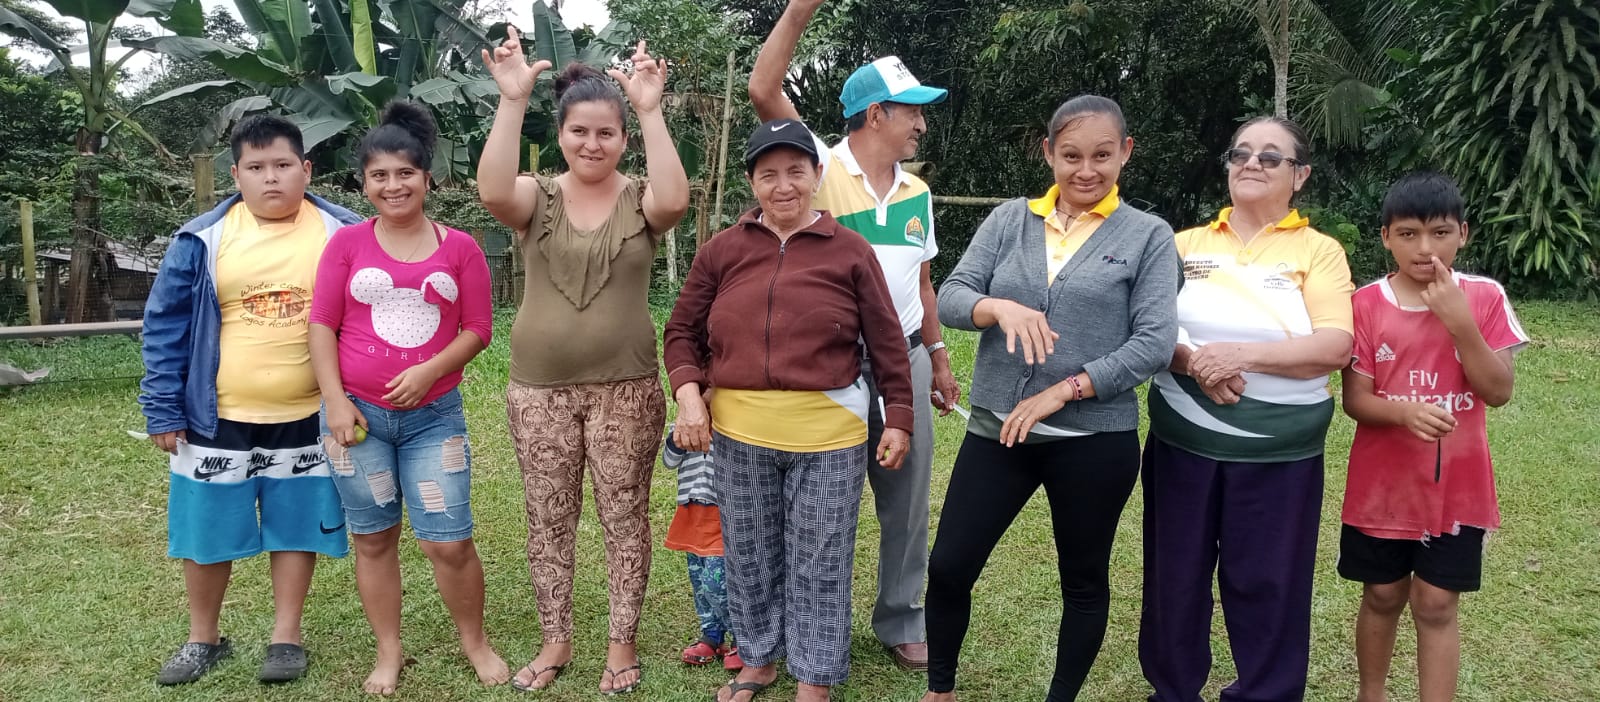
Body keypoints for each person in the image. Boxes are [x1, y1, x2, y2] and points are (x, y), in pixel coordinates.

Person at [923, 96, 1180, 702]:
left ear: (1126, 153)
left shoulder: (1148, 236)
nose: (1086, 171)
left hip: (1093, 441)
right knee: (949, 566)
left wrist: (1065, 391)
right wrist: (998, 307)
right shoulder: (1010, 220)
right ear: (1048, 153)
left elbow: (1153, 342)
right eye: (1071, 156)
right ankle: (940, 690)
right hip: (999, 430)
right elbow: (953, 294)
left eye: (1102, 156)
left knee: (1083, 581)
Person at [662, 119, 916, 702]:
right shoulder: (723, 250)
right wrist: (689, 394)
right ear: (751, 182)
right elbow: (681, 332)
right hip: (738, 434)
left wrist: (899, 416)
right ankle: (757, 661)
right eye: (768, 174)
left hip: (830, 435)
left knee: (821, 558)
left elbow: (887, 343)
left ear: (816, 175)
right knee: (749, 553)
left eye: (796, 172)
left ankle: (814, 678)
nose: (783, 186)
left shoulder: (850, 251)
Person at [749, 0, 961, 671]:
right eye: (911, 111)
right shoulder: (820, 166)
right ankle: (811, 624)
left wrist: (938, 357)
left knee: (907, 500)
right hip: (833, 365)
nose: (921, 123)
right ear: (875, 115)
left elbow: (923, 283)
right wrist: (799, 11)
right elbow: (763, 88)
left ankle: (901, 618)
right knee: (820, 505)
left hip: (906, 358)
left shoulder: (918, 193)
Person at [478, 29, 689, 695]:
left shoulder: (641, 200)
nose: (592, 144)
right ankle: (556, 640)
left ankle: (621, 643)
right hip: (538, 391)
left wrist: (650, 110)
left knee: (624, 518)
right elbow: (491, 191)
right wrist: (512, 100)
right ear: (561, 135)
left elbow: (675, 200)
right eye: (579, 132)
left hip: (626, 390)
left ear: (623, 139)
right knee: (548, 518)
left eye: (606, 133)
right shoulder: (535, 197)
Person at [139, 115, 361, 685]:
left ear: (306, 169)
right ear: (235, 175)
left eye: (283, 165)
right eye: (256, 168)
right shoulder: (201, 240)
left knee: (296, 527)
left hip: (310, 414)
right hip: (215, 417)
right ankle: (203, 639)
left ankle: (287, 637)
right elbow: (164, 326)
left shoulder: (344, 232)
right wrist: (162, 408)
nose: (271, 178)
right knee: (206, 532)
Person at [1140, 115, 1355, 701]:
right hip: (1183, 445)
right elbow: (1147, 327)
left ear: (1300, 175)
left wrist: (1241, 356)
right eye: (1241, 153)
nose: (1252, 163)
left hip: (1279, 455)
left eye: (1270, 156)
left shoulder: (1319, 251)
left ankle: (1266, 692)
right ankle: (1173, 691)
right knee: (1174, 577)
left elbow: (1335, 346)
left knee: (1269, 582)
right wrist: (1194, 363)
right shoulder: (1181, 244)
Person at [307, 101, 507, 695]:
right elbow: (321, 324)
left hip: (433, 419)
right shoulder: (346, 245)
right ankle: (389, 651)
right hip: (355, 419)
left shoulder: (461, 247)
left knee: (450, 540)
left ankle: (475, 642)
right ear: (364, 182)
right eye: (379, 175)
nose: (392, 186)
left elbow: (478, 328)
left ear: (426, 177)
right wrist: (335, 401)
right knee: (373, 538)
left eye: (404, 173)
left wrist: (430, 371)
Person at [1339, 172, 1527, 702]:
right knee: (1382, 594)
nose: (1425, 248)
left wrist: (1460, 322)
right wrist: (1403, 414)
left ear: (1462, 234)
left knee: (1438, 603)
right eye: (1408, 234)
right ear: (1386, 238)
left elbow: (1498, 391)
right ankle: (1370, 694)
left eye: (1440, 233)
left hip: (1458, 488)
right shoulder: (1365, 304)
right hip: (1383, 486)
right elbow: (1355, 401)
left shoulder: (1484, 297)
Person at [661, 421, 743, 672]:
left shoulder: (732, 422)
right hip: (691, 511)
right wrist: (678, 437)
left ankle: (742, 638)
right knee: (698, 581)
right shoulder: (683, 423)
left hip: (723, 512)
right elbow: (669, 461)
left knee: (715, 582)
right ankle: (711, 635)